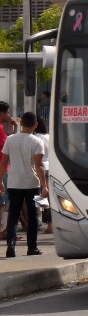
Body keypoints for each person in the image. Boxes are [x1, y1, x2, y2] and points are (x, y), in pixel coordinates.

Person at [0, 112, 49, 257]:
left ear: (21, 124)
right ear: (35, 125)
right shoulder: (36, 141)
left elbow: (3, 163)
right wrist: (44, 185)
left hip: (14, 183)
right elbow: (39, 165)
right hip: (31, 183)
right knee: (33, 216)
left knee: (13, 215)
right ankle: (32, 247)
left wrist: (0, 181)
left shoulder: (10, 139)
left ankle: (11, 245)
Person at [0, 101, 17, 239]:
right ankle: (3, 230)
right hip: (2, 167)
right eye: (7, 112)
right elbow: (9, 145)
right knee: (4, 201)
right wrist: (16, 127)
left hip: (4, 166)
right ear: (2, 113)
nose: (9, 115)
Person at [34, 116, 51, 234]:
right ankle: (50, 224)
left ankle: (45, 223)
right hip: (51, 167)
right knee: (49, 197)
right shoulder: (49, 137)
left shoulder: (35, 138)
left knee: (41, 197)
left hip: (40, 168)